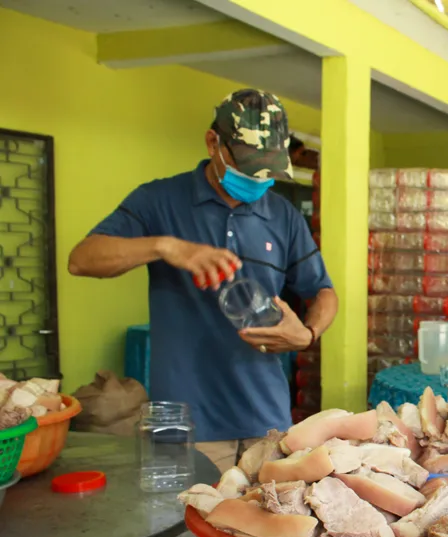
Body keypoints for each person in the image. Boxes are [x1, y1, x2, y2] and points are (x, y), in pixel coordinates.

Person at [68, 89, 338, 469]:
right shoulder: (158, 200)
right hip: (184, 425)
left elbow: (325, 292)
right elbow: (81, 260)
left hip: (267, 423)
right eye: (247, 167)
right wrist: (165, 247)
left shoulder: (283, 216)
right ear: (214, 143)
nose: (257, 181)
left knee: (267, 521)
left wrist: (307, 334)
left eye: (267, 171)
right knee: (185, 527)